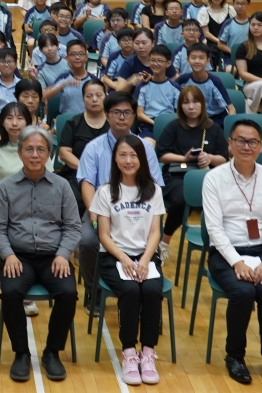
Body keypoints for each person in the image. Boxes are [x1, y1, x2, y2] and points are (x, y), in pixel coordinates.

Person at [0, 126, 82, 383]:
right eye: (29, 149)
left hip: (54, 256)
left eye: (41, 149)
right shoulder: (6, 188)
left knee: (68, 293)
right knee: (10, 292)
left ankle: (52, 352)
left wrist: (63, 254)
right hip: (19, 256)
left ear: (49, 154)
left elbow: (74, 227)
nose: (35, 155)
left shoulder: (62, 186)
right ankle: (21, 353)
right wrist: (8, 255)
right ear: (19, 153)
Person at [202, 119, 262, 386]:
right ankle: (235, 356)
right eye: (240, 140)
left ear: (261, 147)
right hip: (226, 253)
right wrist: (237, 262)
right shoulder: (214, 178)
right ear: (229, 144)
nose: (246, 146)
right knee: (243, 292)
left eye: (252, 142)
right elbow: (214, 229)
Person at [92, 134, 165, 386]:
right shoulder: (105, 191)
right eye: (122, 155)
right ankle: (129, 353)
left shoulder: (154, 190)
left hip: (145, 256)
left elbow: (155, 232)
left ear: (142, 159)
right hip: (114, 257)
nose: (128, 160)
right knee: (131, 290)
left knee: (152, 290)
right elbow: (103, 235)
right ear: (115, 159)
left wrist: (144, 260)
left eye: (133, 155)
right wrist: (124, 258)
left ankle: (148, 352)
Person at [77, 92, 163, 306]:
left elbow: (155, 185)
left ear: (134, 116)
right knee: (88, 241)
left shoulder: (145, 148)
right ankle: (94, 290)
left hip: (139, 210)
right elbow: (87, 183)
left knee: (150, 239)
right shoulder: (93, 147)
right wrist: (94, 214)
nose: (122, 117)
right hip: (101, 209)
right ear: (107, 115)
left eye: (127, 112)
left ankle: (144, 289)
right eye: (116, 112)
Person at [156, 85, 228, 260]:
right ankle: (164, 243)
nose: (191, 107)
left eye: (195, 102)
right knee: (182, 199)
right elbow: (161, 155)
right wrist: (185, 158)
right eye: (186, 103)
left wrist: (209, 158)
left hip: (206, 177)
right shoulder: (173, 127)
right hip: (177, 176)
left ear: (202, 104)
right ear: (180, 106)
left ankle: (221, 246)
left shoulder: (213, 128)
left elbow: (224, 158)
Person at [56, 80, 109, 214]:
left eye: (99, 95)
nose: (94, 99)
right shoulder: (73, 123)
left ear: (106, 96)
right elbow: (64, 152)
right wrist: (87, 169)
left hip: (109, 174)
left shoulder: (114, 123)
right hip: (77, 173)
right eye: (89, 96)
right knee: (72, 201)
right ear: (83, 99)